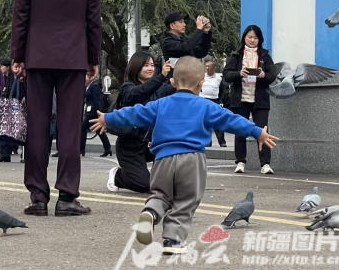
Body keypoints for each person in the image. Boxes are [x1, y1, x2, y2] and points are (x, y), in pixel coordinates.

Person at [89, 57, 278, 255]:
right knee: (186, 200)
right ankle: (173, 240)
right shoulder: (206, 106)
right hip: (192, 159)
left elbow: (135, 113)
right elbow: (231, 120)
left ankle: (151, 212)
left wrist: (108, 118)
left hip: (162, 159)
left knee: (161, 194)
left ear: (172, 82)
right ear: (201, 83)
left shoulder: (160, 104)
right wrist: (257, 132)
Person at [10, 0, 102, 217]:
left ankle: (38, 197)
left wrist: (17, 56)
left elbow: (20, 15)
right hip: (74, 56)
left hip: (37, 55)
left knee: (37, 125)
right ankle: (67, 197)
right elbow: (93, 17)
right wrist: (92, 58)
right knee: (69, 127)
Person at [105, 52, 174, 194]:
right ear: (136, 67)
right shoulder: (127, 88)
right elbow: (141, 92)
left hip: (151, 144)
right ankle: (118, 176)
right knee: (144, 185)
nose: (150, 68)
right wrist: (161, 77)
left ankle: (160, 180)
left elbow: (173, 89)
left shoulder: (158, 88)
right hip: (130, 147)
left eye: (152, 65)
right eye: (146, 65)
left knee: (171, 150)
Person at [222, 25, 276, 175]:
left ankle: (265, 163)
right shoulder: (236, 55)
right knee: (240, 130)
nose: (252, 40)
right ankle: (240, 162)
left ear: (260, 39)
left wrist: (264, 75)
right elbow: (227, 75)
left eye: (255, 38)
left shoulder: (265, 55)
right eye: (250, 37)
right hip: (241, 99)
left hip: (260, 100)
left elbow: (273, 75)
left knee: (263, 131)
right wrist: (239, 73)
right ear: (244, 38)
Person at [0, 62, 27, 163]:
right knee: (6, 127)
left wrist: (25, 95)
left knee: (22, 127)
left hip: (21, 99)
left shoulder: (23, 68)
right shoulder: (11, 73)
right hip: (11, 99)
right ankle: (4, 153)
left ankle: (25, 154)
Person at [80, 71, 111, 157]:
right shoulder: (88, 86)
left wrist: (98, 112)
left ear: (89, 76)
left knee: (82, 128)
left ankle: (81, 150)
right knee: (99, 130)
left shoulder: (94, 86)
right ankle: (108, 148)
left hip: (93, 112)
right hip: (90, 111)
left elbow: (98, 100)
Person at [200, 59, 227, 148]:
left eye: (209, 66)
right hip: (203, 100)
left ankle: (222, 141)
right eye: (206, 66)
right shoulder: (202, 77)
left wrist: (221, 100)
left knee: (217, 121)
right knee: (205, 122)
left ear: (214, 68)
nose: (207, 68)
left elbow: (223, 90)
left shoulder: (218, 78)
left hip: (215, 101)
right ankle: (207, 142)